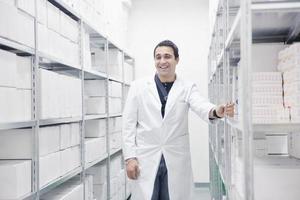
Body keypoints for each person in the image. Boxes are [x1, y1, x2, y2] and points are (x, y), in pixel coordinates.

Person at [122, 40, 234, 200]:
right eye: (158, 57)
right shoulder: (138, 87)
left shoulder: (187, 87)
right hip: (145, 156)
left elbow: (201, 105)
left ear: (177, 60)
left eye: (167, 56)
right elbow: (128, 125)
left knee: (172, 196)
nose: (162, 61)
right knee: (148, 196)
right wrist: (129, 158)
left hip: (175, 156)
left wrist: (216, 110)